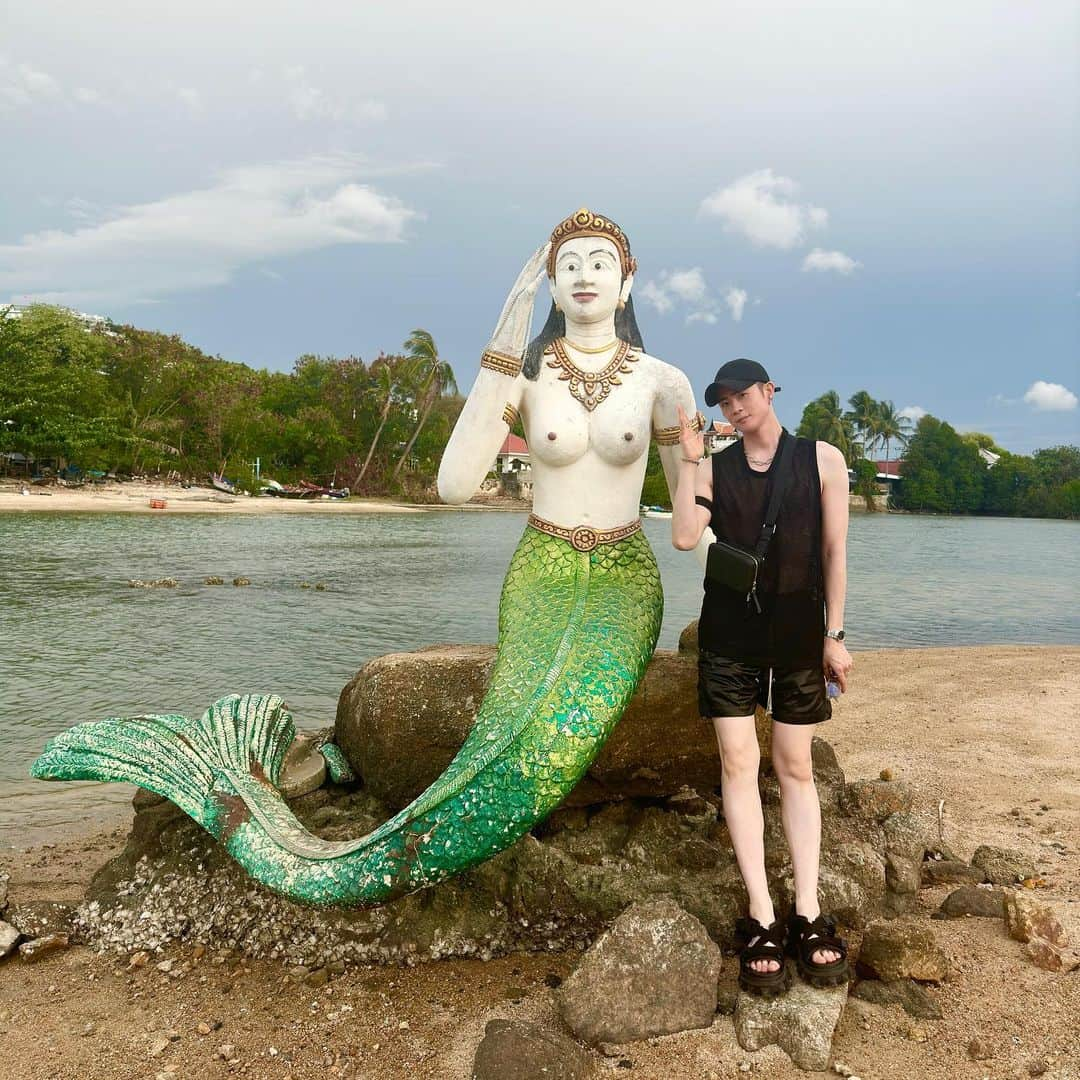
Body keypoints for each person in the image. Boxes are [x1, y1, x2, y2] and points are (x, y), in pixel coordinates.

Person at [33, 209, 709, 908]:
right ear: (547, 285)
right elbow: (453, 487)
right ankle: (279, 830)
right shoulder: (526, 375)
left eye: (600, 262)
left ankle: (296, 815)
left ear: (627, 283)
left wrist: (764, 603)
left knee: (555, 733)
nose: (584, 275)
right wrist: (504, 345)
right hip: (542, 565)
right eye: (567, 264)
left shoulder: (665, 382)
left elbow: (695, 522)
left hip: (624, 574)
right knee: (510, 727)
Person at [671, 358, 854, 996]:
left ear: (769, 390)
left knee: (795, 765)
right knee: (737, 763)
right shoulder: (716, 469)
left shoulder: (822, 459)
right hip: (730, 635)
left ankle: (807, 910)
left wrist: (835, 636)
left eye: (743, 394)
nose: (735, 407)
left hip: (800, 633)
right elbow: (685, 535)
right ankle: (763, 914)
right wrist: (691, 457)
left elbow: (834, 552)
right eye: (723, 401)